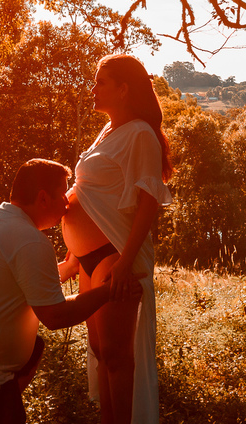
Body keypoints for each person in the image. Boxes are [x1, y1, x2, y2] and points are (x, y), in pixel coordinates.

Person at [0, 158, 139, 424]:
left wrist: (70, 265)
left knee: (34, 348)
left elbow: (25, 280)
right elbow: (56, 317)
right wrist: (110, 290)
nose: (68, 203)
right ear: (43, 198)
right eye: (63, 194)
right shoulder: (30, 240)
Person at [60, 54, 173, 424]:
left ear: (123, 89)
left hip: (115, 254)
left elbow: (149, 201)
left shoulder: (140, 133)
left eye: (101, 82)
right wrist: (73, 256)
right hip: (91, 257)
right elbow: (89, 195)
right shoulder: (109, 130)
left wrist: (126, 261)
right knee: (99, 350)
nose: (93, 89)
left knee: (116, 354)